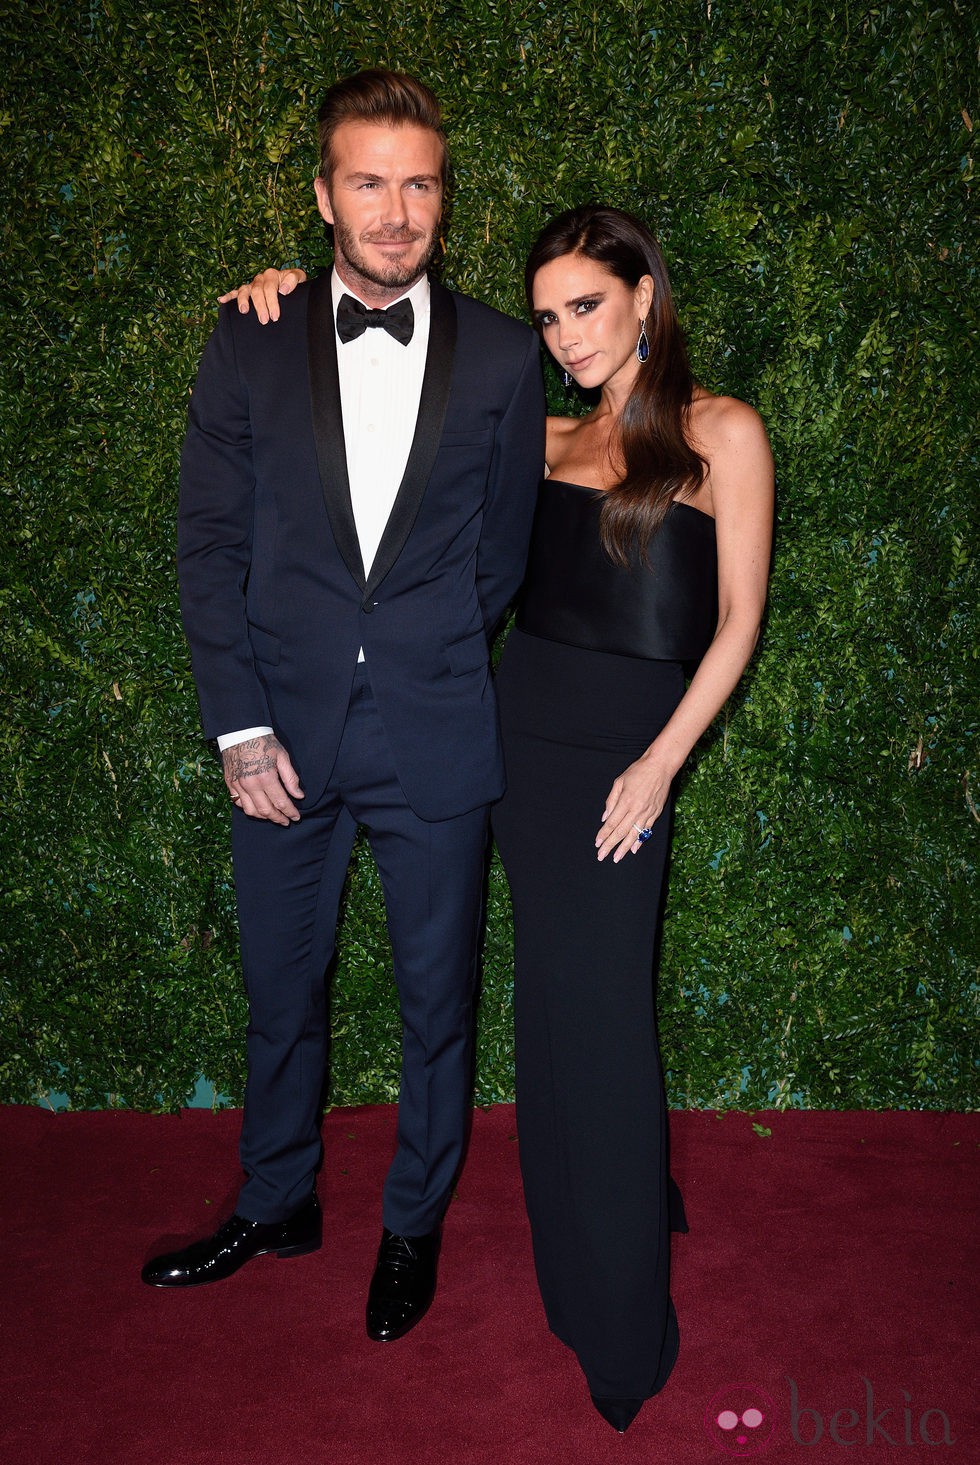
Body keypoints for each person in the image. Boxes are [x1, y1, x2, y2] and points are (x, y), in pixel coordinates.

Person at [232, 206, 773, 1430]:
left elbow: (735, 622)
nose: (565, 335)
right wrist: (284, 295)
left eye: (586, 305)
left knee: (603, 1017)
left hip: (627, 758)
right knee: (547, 1004)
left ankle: (620, 1321)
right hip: (515, 738)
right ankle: (577, 1242)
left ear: (644, 293)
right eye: (546, 316)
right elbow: (384, 421)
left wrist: (659, 766)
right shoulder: (535, 438)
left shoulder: (721, 431)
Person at [141, 68, 545, 1356]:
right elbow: (207, 544)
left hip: (433, 729)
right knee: (279, 988)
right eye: (366, 180)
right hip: (281, 741)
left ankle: (411, 1221)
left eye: (417, 181)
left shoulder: (499, 351)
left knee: (438, 1001)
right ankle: (277, 1202)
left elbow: (503, 555)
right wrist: (238, 723)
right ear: (322, 195)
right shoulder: (248, 335)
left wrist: (415, 654)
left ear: (443, 197)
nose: (394, 209)